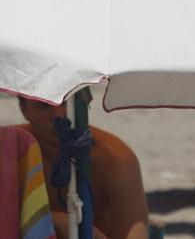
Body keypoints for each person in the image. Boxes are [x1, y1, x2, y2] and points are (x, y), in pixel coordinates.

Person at [16, 97, 149, 239]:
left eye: (67, 102)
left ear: (86, 100)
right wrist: (51, 221)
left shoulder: (115, 159)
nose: (59, 115)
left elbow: (135, 232)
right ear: (24, 110)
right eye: (43, 106)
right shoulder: (9, 151)